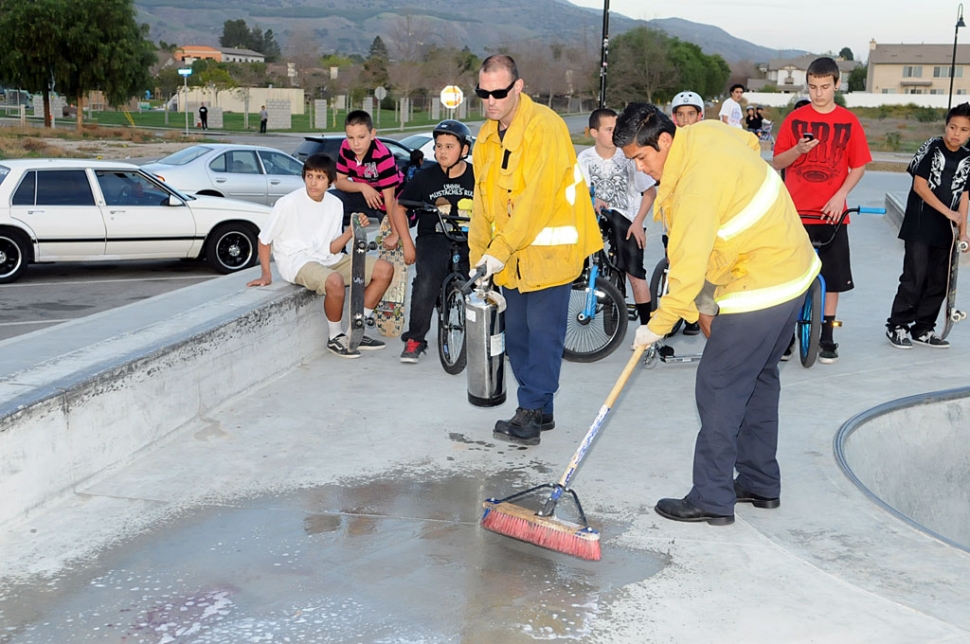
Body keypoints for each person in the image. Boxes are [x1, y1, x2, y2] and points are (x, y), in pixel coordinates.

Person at [615, 103, 819, 526]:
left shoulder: (694, 190)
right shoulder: (706, 133)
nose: (641, 169)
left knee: (718, 385)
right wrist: (707, 304)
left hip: (760, 284)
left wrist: (653, 328)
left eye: (642, 158)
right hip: (794, 272)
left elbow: (684, 278)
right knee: (759, 379)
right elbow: (747, 143)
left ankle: (711, 496)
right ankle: (760, 482)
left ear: (665, 140)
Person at [469, 54, 602, 446]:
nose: (490, 100)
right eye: (483, 92)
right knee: (518, 338)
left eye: (498, 92)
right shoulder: (486, 136)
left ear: (518, 87)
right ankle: (541, 408)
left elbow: (536, 200)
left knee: (542, 336)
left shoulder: (546, 128)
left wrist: (501, 247)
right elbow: (481, 201)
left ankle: (530, 411)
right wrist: (480, 254)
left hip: (549, 254)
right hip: (509, 258)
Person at [773, 56, 872, 364]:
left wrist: (839, 195)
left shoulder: (849, 121)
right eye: (813, 87)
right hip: (796, 212)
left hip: (832, 213)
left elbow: (859, 165)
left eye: (825, 87)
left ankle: (827, 335)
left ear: (837, 84)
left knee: (833, 276)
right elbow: (777, 162)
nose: (818, 94)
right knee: (790, 276)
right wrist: (798, 150)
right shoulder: (795, 119)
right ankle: (786, 335)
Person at [246, 153, 393, 358]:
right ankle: (335, 337)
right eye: (310, 176)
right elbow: (264, 240)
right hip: (296, 261)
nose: (313, 182)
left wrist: (350, 232)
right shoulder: (288, 203)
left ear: (331, 181)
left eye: (320, 177)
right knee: (334, 281)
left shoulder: (335, 204)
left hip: (327, 259)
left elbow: (332, 248)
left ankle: (354, 331)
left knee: (385, 269)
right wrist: (265, 274)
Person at [887, 102, 970, 349]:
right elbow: (919, 186)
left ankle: (923, 328)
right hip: (920, 224)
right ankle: (898, 325)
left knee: (939, 281)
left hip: (947, 232)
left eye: (964, 129)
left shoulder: (968, 159)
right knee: (915, 276)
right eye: (952, 127)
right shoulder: (931, 147)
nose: (956, 133)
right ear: (946, 126)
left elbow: (965, 196)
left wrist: (964, 230)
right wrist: (948, 213)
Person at [394, 120, 475, 364]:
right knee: (427, 280)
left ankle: (494, 336)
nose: (442, 152)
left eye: (449, 146)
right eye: (439, 146)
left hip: (469, 239)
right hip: (433, 238)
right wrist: (407, 243)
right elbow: (400, 208)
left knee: (481, 282)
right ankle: (416, 338)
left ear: (464, 150)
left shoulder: (477, 176)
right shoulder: (425, 177)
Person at [577, 107, 657, 330]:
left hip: (627, 219)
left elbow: (650, 192)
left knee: (635, 274)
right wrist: (593, 200)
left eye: (616, 129)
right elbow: (581, 191)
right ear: (594, 132)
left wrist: (639, 222)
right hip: (597, 219)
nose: (613, 134)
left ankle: (647, 326)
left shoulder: (628, 155)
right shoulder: (585, 158)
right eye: (608, 129)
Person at [669, 91, 709, 337]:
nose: (686, 121)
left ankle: (700, 315)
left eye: (691, 115)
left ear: (700, 116)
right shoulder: (670, 142)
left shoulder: (707, 141)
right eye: (681, 115)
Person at [331, 110, 404, 239]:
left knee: (392, 242)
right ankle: (338, 250)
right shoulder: (345, 148)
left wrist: (394, 233)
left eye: (361, 137)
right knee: (332, 201)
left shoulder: (382, 155)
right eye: (350, 138)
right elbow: (339, 182)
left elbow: (390, 199)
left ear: (372, 134)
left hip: (391, 203)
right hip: (367, 197)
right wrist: (362, 187)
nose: (356, 143)